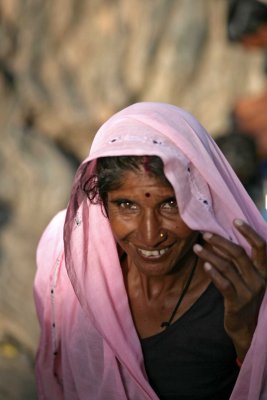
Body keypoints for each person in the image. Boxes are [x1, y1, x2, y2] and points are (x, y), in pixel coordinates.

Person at [34, 102, 267, 400]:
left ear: (201, 199)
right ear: (101, 204)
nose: (150, 235)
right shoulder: (66, 265)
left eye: (170, 204)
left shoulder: (245, 288)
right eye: (126, 205)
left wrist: (251, 335)